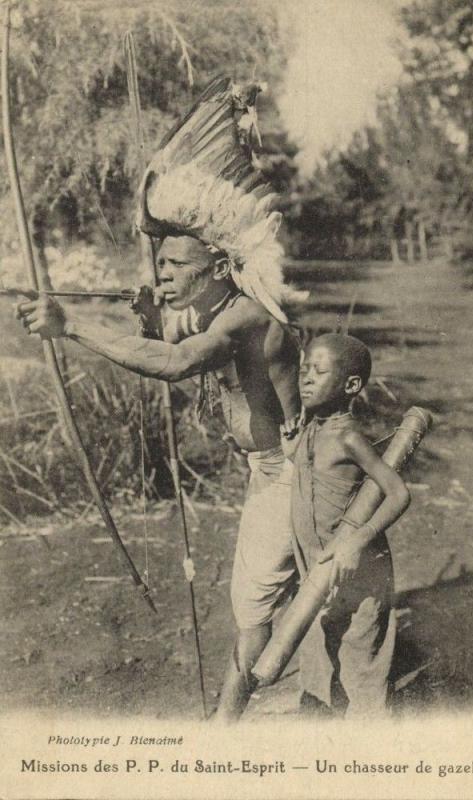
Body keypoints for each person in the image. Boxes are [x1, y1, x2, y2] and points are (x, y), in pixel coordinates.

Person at [15, 76, 305, 722]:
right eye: (163, 266)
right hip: (272, 473)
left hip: (296, 473)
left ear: (219, 268)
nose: (162, 276)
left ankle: (228, 723)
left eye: (177, 268)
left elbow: (176, 362)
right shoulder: (216, 307)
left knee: (253, 602)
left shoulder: (248, 317)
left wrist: (73, 327)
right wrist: (150, 316)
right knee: (271, 594)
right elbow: (168, 337)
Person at [290, 333, 410, 716]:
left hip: (358, 566)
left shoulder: (347, 437)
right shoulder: (310, 429)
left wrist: (357, 541)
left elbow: (398, 493)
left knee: (361, 657)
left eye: (319, 371)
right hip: (317, 567)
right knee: (318, 649)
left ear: (351, 385)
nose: (306, 378)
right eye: (304, 369)